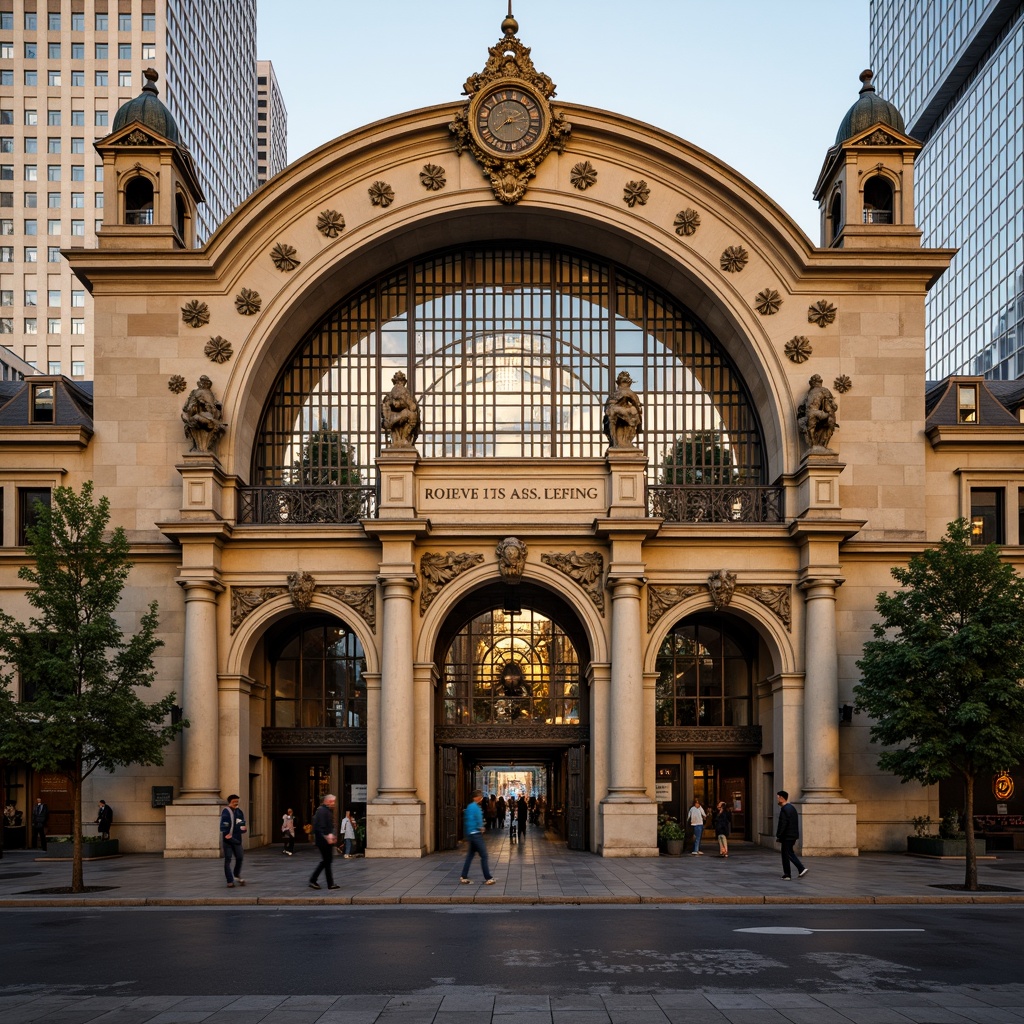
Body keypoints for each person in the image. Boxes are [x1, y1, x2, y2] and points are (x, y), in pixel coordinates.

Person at [460, 789, 494, 884]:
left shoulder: (469, 807)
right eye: (480, 797)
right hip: (476, 834)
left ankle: (463, 876)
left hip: (470, 834)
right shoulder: (476, 808)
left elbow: (467, 820)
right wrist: (481, 827)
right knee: (484, 855)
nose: (481, 798)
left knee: (470, 856)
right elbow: (479, 819)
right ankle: (488, 878)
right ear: (477, 797)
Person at [309, 793, 340, 890]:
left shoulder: (326, 810)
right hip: (323, 841)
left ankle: (316, 880)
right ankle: (326, 883)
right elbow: (320, 827)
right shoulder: (322, 811)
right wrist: (327, 836)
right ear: (327, 801)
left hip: (325, 841)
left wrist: (332, 835)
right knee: (327, 861)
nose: (333, 803)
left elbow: (329, 825)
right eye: (332, 801)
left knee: (327, 861)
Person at [776, 790, 808, 880]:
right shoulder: (791, 808)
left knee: (786, 854)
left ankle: (794, 872)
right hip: (791, 835)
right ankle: (793, 872)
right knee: (788, 853)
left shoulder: (785, 809)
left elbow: (783, 824)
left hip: (787, 836)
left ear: (782, 798)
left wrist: (779, 835)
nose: (777, 799)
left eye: (778, 797)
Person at [220, 794, 247, 888]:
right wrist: (227, 834)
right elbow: (224, 825)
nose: (236, 803)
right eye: (234, 801)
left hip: (237, 840)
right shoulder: (226, 811)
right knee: (228, 860)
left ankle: (236, 874)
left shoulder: (239, 812)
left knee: (240, 857)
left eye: (237, 801)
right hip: (228, 840)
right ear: (230, 801)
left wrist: (242, 828)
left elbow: (242, 825)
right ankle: (229, 881)